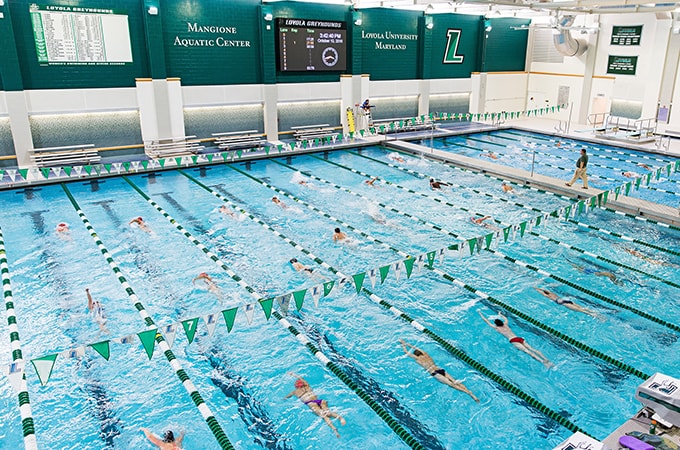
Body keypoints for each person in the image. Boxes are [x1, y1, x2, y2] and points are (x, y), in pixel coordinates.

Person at [399, 339, 479, 402]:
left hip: (434, 373)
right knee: (454, 381)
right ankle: (469, 391)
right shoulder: (426, 354)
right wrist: (408, 344)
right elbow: (416, 348)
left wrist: (402, 344)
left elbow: (406, 352)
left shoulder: (418, 359)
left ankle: (468, 393)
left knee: (451, 384)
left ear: (416, 355)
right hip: (439, 369)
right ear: (421, 352)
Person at [478, 311, 553, 368]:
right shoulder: (505, 324)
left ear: (496, 324)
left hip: (513, 340)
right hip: (518, 338)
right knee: (532, 349)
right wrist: (500, 314)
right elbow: (505, 318)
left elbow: (486, 321)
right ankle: (547, 360)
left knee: (528, 352)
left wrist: (480, 314)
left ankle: (543, 362)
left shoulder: (497, 328)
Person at [285, 373, 346, 438]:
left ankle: (334, 430)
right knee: (327, 412)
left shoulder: (295, 392)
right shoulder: (307, 386)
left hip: (311, 403)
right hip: (320, 401)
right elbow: (300, 378)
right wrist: (293, 374)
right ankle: (340, 418)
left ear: (296, 386)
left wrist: (284, 399)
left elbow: (287, 397)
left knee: (324, 415)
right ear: (303, 384)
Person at [533, 287, 599, 318]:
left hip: (563, 303)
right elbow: (544, 290)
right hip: (565, 299)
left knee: (580, 310)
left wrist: (535, 288)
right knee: (581, 307)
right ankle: (593, 312)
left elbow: (542, 292)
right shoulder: (552, 293)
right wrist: (539, 288)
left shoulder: (547, 295)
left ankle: (593, 315)